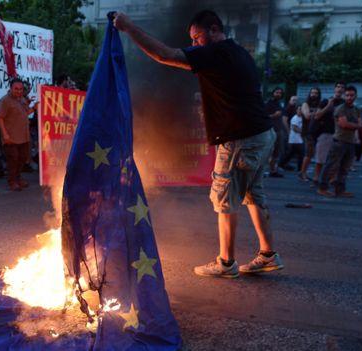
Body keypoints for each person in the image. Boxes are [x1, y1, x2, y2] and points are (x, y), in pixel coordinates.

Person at [113, 10, 283, 278]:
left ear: (214, 30)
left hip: (240, 139)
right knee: (254, 195)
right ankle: (268, 255)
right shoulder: (239, 52)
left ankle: (226, 263)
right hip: (261, 135)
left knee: (225, 200)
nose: (193, 45)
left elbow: (165, 56)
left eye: (197, 38)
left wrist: (128, 27)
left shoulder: (216, 53)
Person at [317, 85, 362, 197]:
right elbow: (344, 124)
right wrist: (355, 125)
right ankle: (322, 188)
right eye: (347, 95)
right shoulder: (340, 109)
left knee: (345, 168)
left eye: (351, 95)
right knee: (330, 165)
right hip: (339, 141)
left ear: (356, 96)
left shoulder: (356, 109)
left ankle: (340, 190)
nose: (349, 97)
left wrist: (353, 125)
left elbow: (360, 125)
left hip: (351, 142)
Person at [0, 78, 39, 191]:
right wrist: (5, 135)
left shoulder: (22, 99)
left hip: (23, 136)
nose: (19, 91)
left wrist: (34, 108)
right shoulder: (5, 101)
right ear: (10, 88)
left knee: (22, 158)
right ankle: (12, 181)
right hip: (11, 136)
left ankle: (18, 178)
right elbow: (0, 118)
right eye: (16, 89)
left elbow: (26, 112)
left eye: (20, 89)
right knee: (13, 159)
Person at [312, 82, 345, 186]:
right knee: (320, 158)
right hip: (326, 133)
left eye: (342, 87)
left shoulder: (344, 103)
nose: (340, 89)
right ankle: (316, 178)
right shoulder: (326, 101)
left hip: (339, 134)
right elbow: (317, 116)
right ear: (335, 89)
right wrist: (328, 106)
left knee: (336, 159)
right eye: (338, 87)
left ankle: (331, 179)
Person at [300, 87, 321, 181]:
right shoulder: (305, 104)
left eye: (316, 93)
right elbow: (307, 116)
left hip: (315, 132)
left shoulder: (319, 104)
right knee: (308, 153)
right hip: (307, 131)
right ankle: (302, 173)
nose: (314, 95)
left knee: (310, 153)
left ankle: (303, 172)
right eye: (312, 93)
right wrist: (317, 113)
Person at [266, 87, 285, 177]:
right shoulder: (269, 103)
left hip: (278, 129)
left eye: (280, 93)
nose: (278, 94)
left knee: (276, 151)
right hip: (271, 130)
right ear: (273, 93)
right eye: (277, 92)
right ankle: (270, 170)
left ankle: (273, 170)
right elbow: (264, 116)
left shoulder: (279, 103)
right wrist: (274, 115)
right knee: (270, 151)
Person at [279, 106, 304, 173]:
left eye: (301, 110)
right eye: (299, 110)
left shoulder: (302, 118)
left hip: (299, 139)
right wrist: (303, 131)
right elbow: (295, 129)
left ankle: (281, 164)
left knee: (291, 154)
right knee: (301, 154)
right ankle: (300, 169)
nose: (300, 111)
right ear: (296, 111)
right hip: (295, 139)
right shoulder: (295, 118)